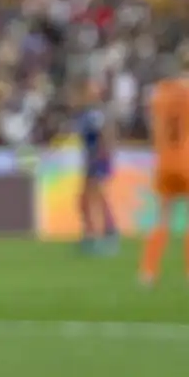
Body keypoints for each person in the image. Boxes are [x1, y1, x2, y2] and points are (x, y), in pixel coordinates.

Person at [140, 44, 189, 288]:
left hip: (165, 161)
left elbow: (153, 128)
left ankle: (148, 274)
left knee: (161, 219)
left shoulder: (162, 92)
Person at [76, 83, 119, 256]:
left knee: (94, 198)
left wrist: (103, 156)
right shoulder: (88, 113)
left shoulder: (95, 114)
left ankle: (99, 235)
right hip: (92, 159)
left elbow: (105, 136)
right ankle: (96, 234)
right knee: (89, 198)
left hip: (97, 160)